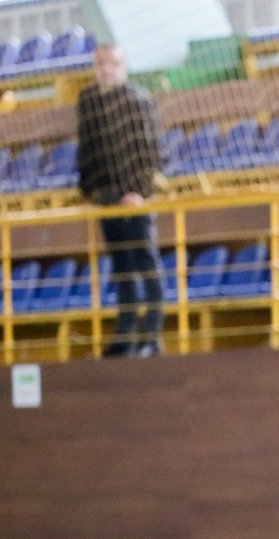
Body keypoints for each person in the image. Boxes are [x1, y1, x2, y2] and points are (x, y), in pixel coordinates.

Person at [75, 44, 164, 358]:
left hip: (137, 200)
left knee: (146, 264)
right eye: (100, 63)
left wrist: (138, 192)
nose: (106, 69)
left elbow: (152, 152)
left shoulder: (138, 100)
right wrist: (93, 191)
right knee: (122, 267)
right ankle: (125, 337)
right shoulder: (88, 101)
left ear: (124, 67)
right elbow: (87, 151)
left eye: (112, 63)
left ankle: (151, 337)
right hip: (108, 199)